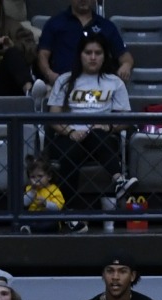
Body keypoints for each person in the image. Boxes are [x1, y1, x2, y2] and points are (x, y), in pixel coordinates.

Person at [46, 34, 131, 208]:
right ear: (80, 55)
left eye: (98, 53)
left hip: (102, 137)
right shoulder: (65, 80)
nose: (93, 57)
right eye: (88, 52)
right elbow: (53, 116)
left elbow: (125, 119)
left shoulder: (115, 82)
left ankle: (118, 181)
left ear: (104, 56)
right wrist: (70, 132)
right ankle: (70, 208)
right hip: (69, 136)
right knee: (70, 152)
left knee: (97, 133)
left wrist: (107, 126)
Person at [37, 0, 132, 86]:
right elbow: (43, 54)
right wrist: (49, 74)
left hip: (100, 86)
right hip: (63, 84)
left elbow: (125, 56)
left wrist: (126, 65)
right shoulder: (54, 23)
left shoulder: (106, 26)